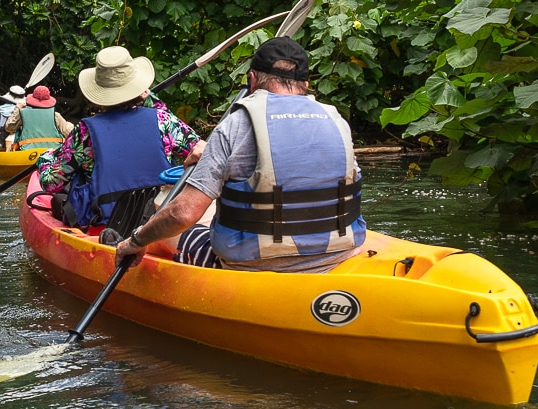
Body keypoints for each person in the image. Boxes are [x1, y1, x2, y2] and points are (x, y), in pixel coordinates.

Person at [114, 36, 363, 273]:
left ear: (252, 80)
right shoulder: (335, 119)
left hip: (252, 264)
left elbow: (183, 214)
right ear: (306, 84)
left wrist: (136, 240)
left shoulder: (235, 124)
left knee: (165, 228)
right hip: (337, 255)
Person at [41, 46, 200, 235]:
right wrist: (151, 99)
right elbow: (200, 150)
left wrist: (45, 159)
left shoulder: (84, 132)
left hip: (105, 225)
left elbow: (51, 183)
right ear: (140, 88)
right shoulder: (163, 120)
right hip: (160, 220)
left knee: (64, 191)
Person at [11, 85, 71, 153]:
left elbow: (9, 128)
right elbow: (69, 133)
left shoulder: (22, 113)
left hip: (27, 152)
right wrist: (69, 124)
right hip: (52, 152)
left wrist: (17, 108)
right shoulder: (55, 115)